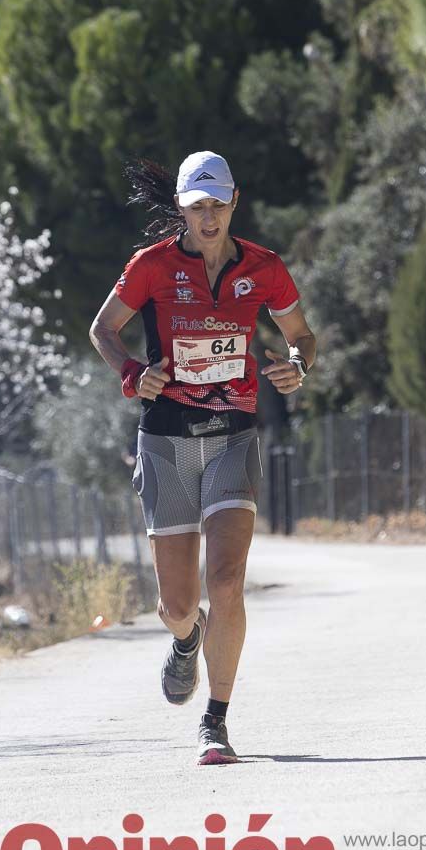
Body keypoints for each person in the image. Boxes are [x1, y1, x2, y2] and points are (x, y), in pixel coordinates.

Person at [89, 150, 316, 765]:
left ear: (233, 202)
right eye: (197, 208)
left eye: (217, 205)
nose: (208, 218)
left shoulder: (264, 268)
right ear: (182, 210)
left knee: (227, 581)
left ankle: (215, 721)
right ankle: (186, 640)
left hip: (235, 435)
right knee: (179, 604)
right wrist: (134, 373)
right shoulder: (152, 267)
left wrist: (296, 366)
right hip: (165, 439)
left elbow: (301, 335)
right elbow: (102, 330)